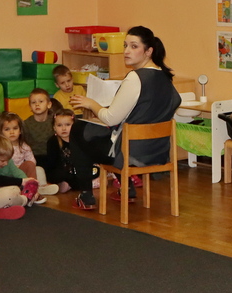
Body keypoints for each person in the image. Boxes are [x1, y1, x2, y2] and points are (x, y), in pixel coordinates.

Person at [68, 26, 182, 210]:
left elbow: (110, 119)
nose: (127, 51)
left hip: (130, 154)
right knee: (100, 132)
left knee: (77, 130)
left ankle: (86, 196)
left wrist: (91, 104)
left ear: (148, 51)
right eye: (125, 45)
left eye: (134, 46)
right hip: (157, 152)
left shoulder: (135, 78)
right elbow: (170, 102)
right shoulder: (165, 77)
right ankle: (126, 189)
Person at [0, 111, 59, 194]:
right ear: (1, 132)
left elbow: (32, 161)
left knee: (39, 169)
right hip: (8, 172)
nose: (12, 132)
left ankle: (41, 187)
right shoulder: (0, 147)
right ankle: (31, 189)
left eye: (15, 128)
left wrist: (24, 167)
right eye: (7, 129)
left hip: (22, 171)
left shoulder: (24, 146)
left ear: (20, 130)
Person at [39, 111, 96, 198]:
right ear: (54, 127)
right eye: (59, 125)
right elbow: (53, 163)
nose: (64, 128)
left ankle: (72, 185)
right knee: (57, 174)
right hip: (63, 171)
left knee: (94, 169)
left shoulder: (79, 139)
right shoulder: (53, 141)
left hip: (77, 170)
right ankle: (82, 184)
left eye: (68, 125)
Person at [21, 87, 57, 164]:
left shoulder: (55, 121)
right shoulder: (25, 124)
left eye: (41, 101)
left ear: (49, 104)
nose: (37, 104)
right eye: (33, 102)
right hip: (34, 158)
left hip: (53, 157)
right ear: (30, 106)